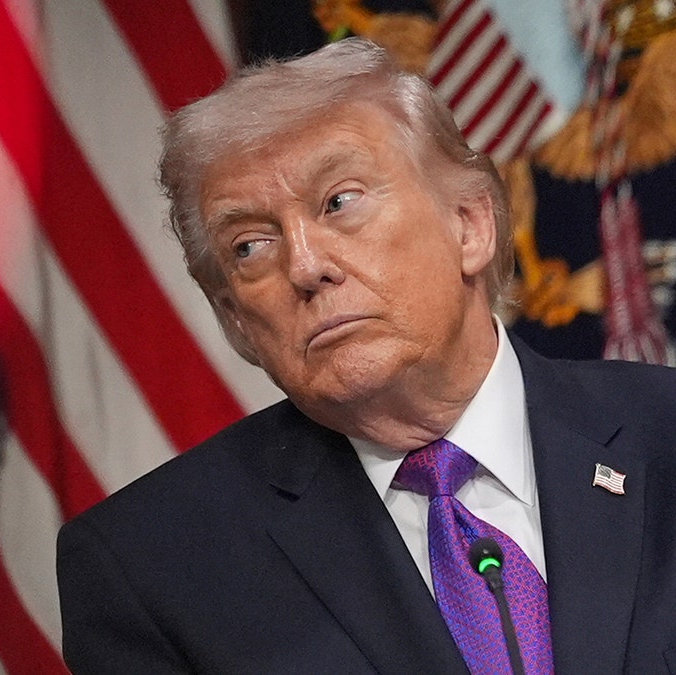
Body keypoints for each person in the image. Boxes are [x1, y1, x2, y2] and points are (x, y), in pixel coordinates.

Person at [56, 38, 676, 674]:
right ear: (235, 320)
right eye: (249, 246)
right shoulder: (149, 568)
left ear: (470, 225)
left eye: (338, 202)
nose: (304, 266)